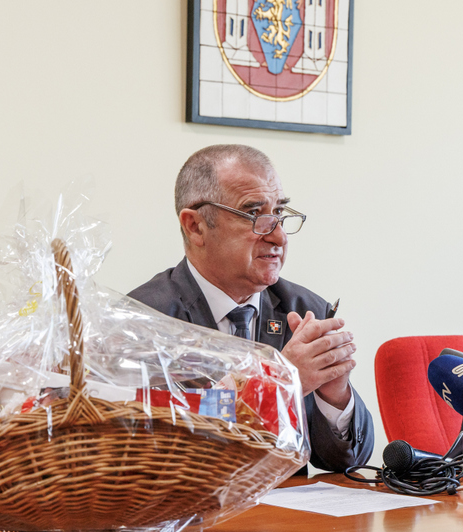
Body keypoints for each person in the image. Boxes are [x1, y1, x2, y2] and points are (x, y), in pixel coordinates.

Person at [129, 144, 373, 473]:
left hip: (289, 503)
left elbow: (346, 461)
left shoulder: (304, 311)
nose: (279, 237)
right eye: (255, 214)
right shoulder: (142, 320)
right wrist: (278, 383)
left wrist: (335, 395)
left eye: (280, 213)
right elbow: (152, 450)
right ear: (195, 226)